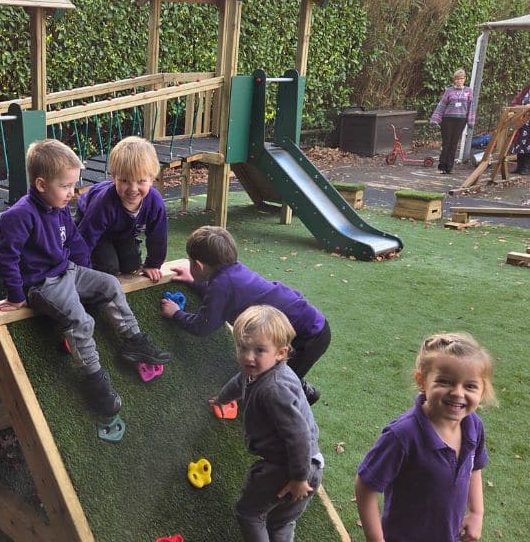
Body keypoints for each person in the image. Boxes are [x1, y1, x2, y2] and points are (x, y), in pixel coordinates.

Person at [0, 139, 171, 417]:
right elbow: (7, 258)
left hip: (68, 271)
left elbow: (76, 241)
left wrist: (88, 275)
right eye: (65, 186)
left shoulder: (59, 206)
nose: (72, 193)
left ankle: (134, 341)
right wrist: (16, 295)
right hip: (43, 284)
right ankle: (94, 379)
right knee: (80, 320)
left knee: (110, 283)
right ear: (41, 185)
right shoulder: (19, 216)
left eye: (73, 185)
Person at [159, 225, 329, 405]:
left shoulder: (221, 285)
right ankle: (305, 391)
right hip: (309, 325)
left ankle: (299, 400)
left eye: (190, 261)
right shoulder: (233, 272)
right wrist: (194, 282)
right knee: (277, 373)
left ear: (198, 265)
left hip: (308, 337)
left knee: (273, 384)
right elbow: (222, 296)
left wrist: (176, 313)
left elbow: (202, 326)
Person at [354, 332, 497, 542]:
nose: (458, 393)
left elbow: (474, 466)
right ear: (422, 381)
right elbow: (365, 484)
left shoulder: (473, 424)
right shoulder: (402, 435)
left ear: (482, 391)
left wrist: (476, 512)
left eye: (470, 386)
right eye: (445, 382)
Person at [213, 305, 324, 542]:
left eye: (259, 350)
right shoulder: (258, 370)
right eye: (242, 347)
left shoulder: (274, 389)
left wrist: (299, 478)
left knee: (249, 514)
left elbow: (298, 436)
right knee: (281, 521)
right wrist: (222, 398)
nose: (248, 356)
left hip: (289, 467)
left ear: (281, 353)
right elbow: (239, 382)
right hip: (312, 463)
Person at [75, 136, 168, 282]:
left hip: (122, 230)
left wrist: (153, 264)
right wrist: (80, 270)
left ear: (152, 179)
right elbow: (85, 238)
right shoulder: (103, 203)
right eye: (124, 180)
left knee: (131, 266)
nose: (133, 188)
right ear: (114, 177)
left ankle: (118, 246)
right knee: (109, 267)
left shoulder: (154, 202)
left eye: (141, 181)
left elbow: (158, 236)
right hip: (91, 226)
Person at [430, 69, 476, 174]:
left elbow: (471, 106)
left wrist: (471, 121)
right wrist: (435, 119)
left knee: (454, 144)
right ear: (454, 80)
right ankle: (442, 166)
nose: (459, 81)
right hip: (448, 119)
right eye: (457, 79)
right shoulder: (449, 91)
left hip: (461, 120)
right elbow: (442, 104)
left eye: (461, 78)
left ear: (464, 79)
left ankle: (449, 167)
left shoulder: (468, 91)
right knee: (446, 143)